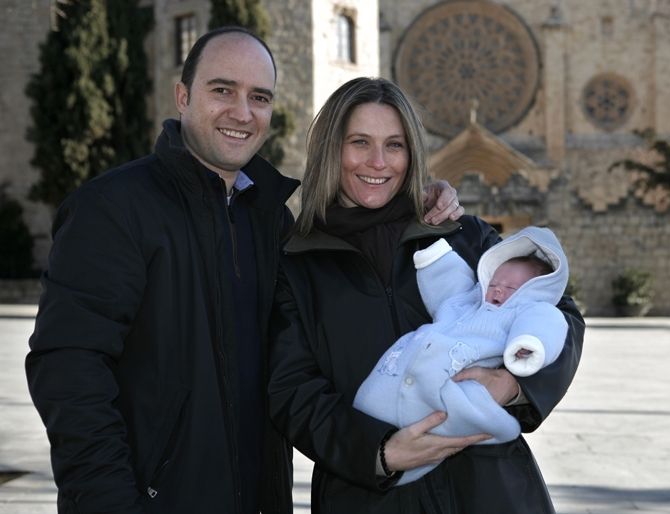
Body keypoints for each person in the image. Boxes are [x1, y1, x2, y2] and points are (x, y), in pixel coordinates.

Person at [25, 28, 461, 514]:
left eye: (259, 97)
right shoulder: (112, 209)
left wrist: (417, 203)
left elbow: (299, 373)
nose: (242, 112)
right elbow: (68, 370)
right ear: (183, 96)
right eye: (222, 90)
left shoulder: (273, 221)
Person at [267, 77, 585, 514]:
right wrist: (380, 453)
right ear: (330, 149)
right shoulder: (297, 264)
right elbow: (292, 390)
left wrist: (514, 385)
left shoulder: (461, 234)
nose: (378, 161)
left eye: (394, 145)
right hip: (367, 497)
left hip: (490, 491)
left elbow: (559, 311)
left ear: (412, 153)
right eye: (359, 142)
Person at [353, 226, 570, 485]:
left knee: (451, 413)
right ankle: (377, 435)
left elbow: (546, 324)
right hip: (410, 363)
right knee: (376, 393)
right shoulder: (470, 300)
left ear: (532, 292)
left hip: (459, 383)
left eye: (511, 288)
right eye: (494, 283)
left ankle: (459, 430)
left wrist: (526, 346)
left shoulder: (529, 310)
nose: (498, 291)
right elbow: (451, 286)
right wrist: (436, 259)